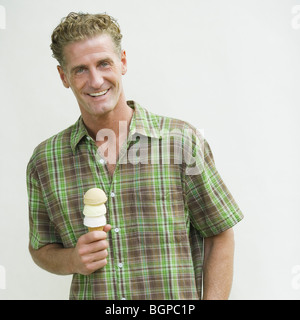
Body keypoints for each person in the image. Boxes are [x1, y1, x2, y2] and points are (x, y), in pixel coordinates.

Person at [27, 12, 243, 300]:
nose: (95, 80)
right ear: (63, 76)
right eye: (80, 69)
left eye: (104, 63)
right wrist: (72, 260)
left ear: (123, 62)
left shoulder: (180, 141)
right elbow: (41, 248)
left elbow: (219, 234)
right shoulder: (45, 160)